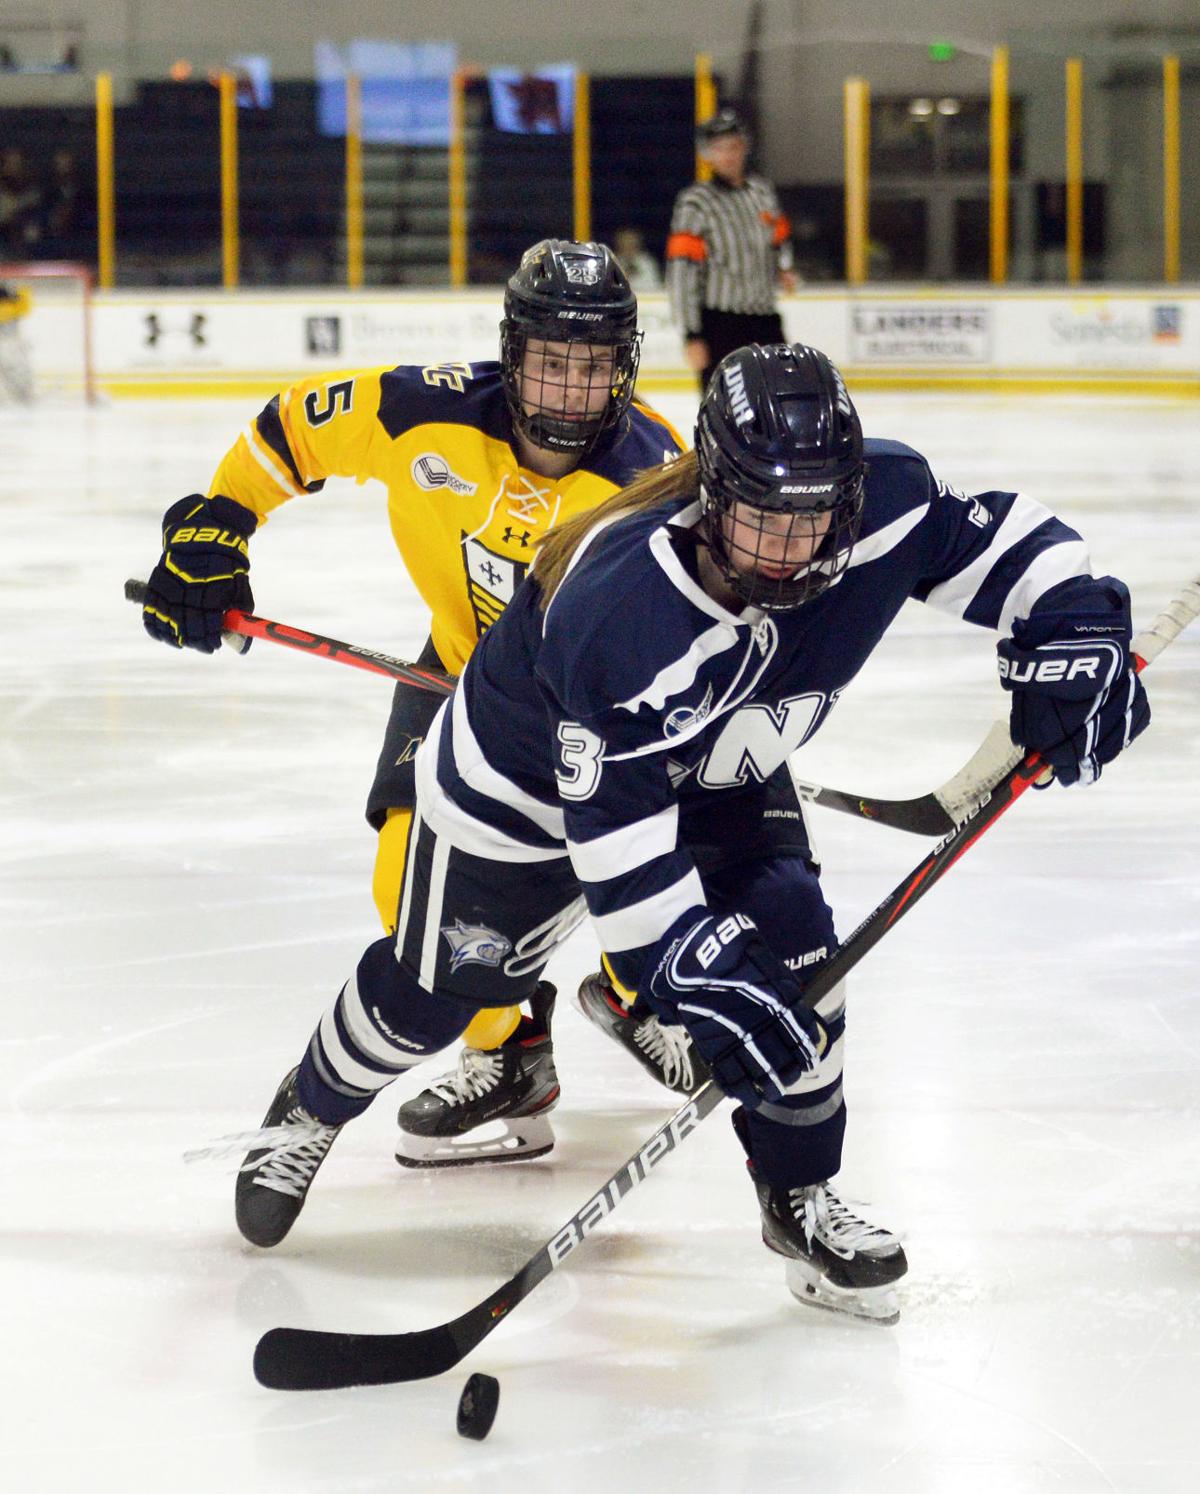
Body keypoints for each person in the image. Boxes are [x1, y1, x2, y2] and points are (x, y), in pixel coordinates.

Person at [230, 341, 1150, 1321]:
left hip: (722, 763)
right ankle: (312, 1101)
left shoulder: (882, 498)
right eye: (762, 519)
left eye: (816, 520)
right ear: (711, 494)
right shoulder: (620, 613)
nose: (793, 550)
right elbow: (623, 864)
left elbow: (1013, 545)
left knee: (798, 960)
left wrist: (1076, 629)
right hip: (523, 788)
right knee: (438, 995)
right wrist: (693, 968)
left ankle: (799, 1194)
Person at [139, 238, 709, 1170]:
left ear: (627, 369)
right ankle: (510, 1051)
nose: (569, 391)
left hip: (592, 721)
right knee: (411, 895)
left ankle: (634, 992)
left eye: (594, 368)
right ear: (510, 354)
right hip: (454, 681)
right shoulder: (423, 406)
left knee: (623, 886)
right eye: (550, 363)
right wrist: (219, 525)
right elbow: (290, 431)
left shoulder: (657, 482)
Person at [666, 107, 796, 391]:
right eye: (719, 148)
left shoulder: (761, 192)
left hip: (765, 319)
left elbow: (780, 237)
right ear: (707, 153)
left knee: (779, 396)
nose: (728, 155)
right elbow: (682, 272)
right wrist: (692, 335)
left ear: (744, 148)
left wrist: (784, 268)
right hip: (720, 325)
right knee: (723, 405)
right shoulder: (696, 202)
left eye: (734, 146)